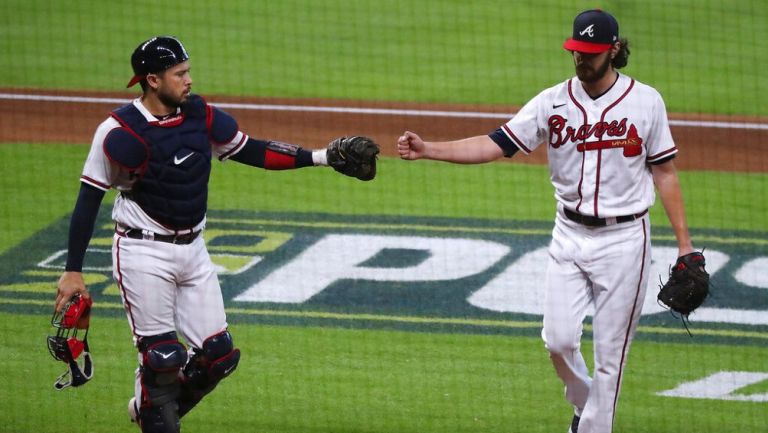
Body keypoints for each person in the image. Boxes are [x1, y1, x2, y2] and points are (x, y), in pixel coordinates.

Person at [53, 36, 371, 433]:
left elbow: (250, 150)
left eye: (188, 71)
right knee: (163, 358)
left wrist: (321, 157)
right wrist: (73, 270)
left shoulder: (199, 116)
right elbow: (89, 199)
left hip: (194, 250)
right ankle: (157, 412)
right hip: (142, 251)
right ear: (152, 80)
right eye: (179, 74)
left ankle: (151, 407)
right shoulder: (118, 131)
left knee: (219, 356)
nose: (189, 80)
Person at [397, 9, 695, 433]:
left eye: (591, 53)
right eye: (576, 51)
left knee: (611, 359)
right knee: (557, 342)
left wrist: (684, 245)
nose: (581, 59)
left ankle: (591, 426)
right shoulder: (552, 101)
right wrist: (429, 149)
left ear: (613, 50)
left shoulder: (646, 101)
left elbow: (664, 171)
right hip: (569, 236)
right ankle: (584, 404)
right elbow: (494, 144)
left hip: (626, 240)